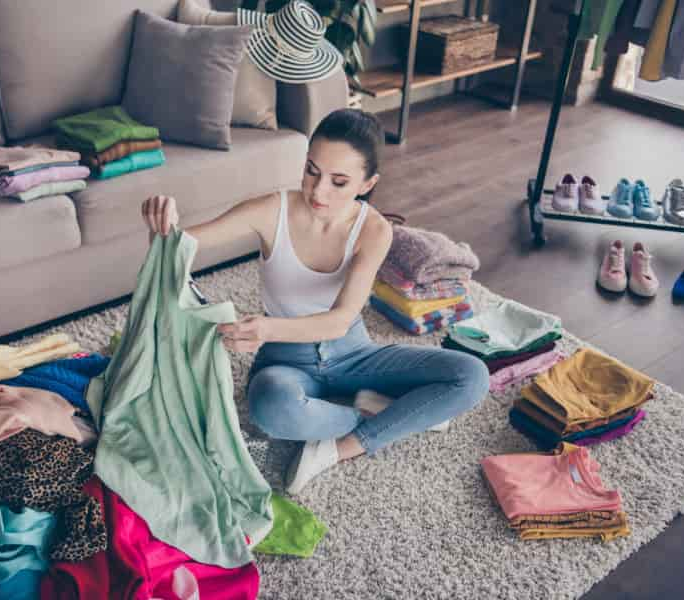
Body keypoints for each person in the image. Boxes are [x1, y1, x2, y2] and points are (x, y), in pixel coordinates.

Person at [142, 108, 489, 494]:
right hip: (285, 360)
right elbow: (184, 243)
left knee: (471, 376)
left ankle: (340, 448)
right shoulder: (271, 210)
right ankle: (372, 411)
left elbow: (340, 320)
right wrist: (166, 225)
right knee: (271, 410)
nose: (318, 191)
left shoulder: (374, 230)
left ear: (367, 182)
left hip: (353, 351)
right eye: (312, 171)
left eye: (339, 182)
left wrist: (265, 327)